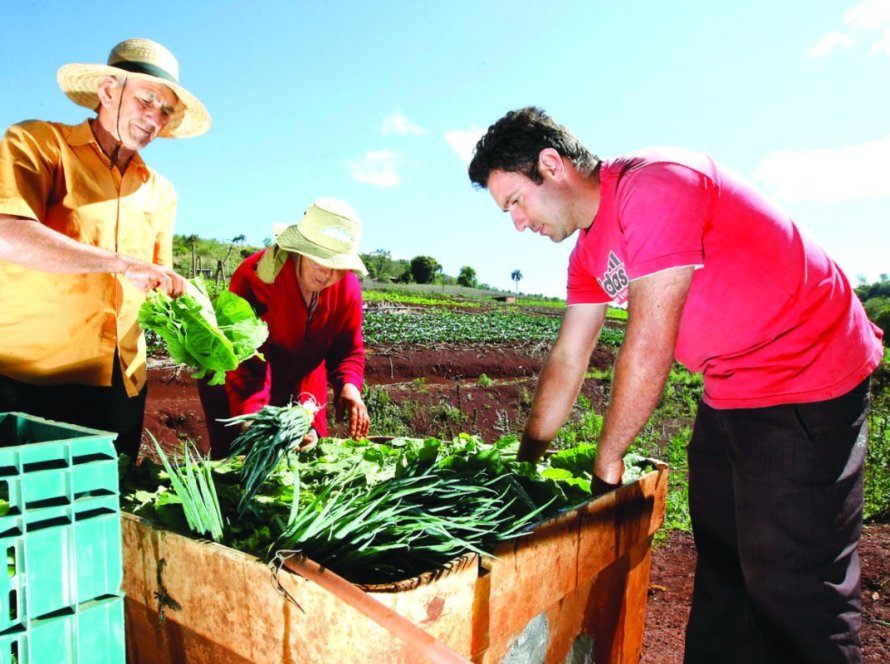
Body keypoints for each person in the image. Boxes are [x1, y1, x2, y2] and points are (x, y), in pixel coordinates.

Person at [468, 107, 883, 664]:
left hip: (807, 374)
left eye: (515, 201)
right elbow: (568, 359)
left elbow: (651, 336)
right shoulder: (588, 254)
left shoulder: (655, 183)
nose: (517, 222)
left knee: (794, 585)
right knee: (725, 575)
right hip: (729, 385)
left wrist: (607, 463)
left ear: (552, 164)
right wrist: (526, 459)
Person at [0, 38, 211, 459]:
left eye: (165, 111)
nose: (154, 118)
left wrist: (192, 309)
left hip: (122, 383)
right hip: (31, 377)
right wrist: (119, 263)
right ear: (108, 90)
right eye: (146, 99)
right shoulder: (39, 143)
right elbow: (9, 233)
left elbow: (155, 282)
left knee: (106, 510)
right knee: (26, 515)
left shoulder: (161, 192)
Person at [197, 197, 371, 458]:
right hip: (238, 379)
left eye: (335, 266)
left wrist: (350, 387)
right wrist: (255, 422)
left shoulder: (347, 289)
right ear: (300, 250)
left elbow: (348, 349)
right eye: (317, 261)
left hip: (303, 377)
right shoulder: (255, 277)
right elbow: (246, 361)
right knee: (238, 467)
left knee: (306, 459)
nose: (325, 274)